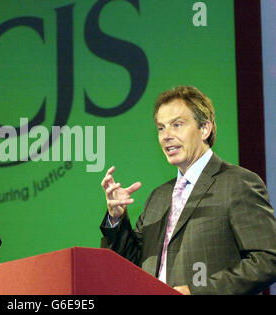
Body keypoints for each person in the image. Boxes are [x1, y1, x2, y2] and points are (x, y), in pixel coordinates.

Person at [100, 85, 276, 295]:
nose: (166, 135)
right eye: (161, 128)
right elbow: (130, 266)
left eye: (177, 125)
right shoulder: (159, 196)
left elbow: (268, 260)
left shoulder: (237, 183)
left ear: (204, 129)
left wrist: (198, 292)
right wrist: (116, 218)